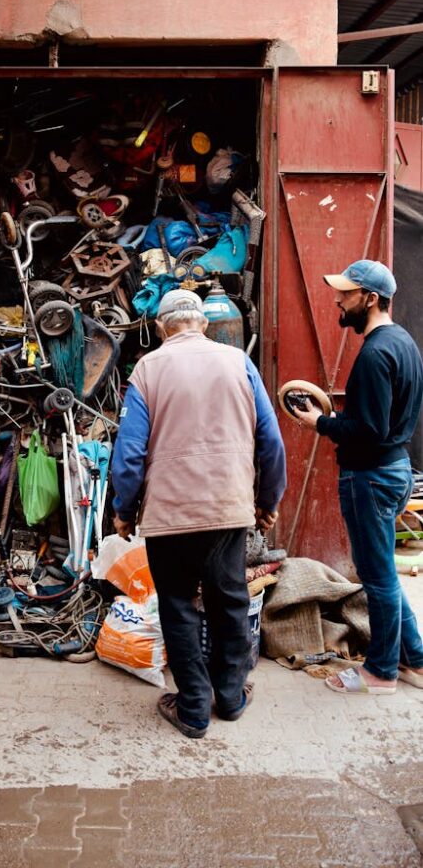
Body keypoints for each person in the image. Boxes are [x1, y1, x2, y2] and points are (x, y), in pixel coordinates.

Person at [111, 288, 286, 738]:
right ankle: (229, 698)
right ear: (203, 324)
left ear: (160, 328)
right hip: (228, 509)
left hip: (170, 516)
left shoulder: (147, 368)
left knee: (177, 606)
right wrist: (267, 501)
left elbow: (128, 454)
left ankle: (192, 710)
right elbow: (271, 442)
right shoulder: (238, 362)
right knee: (230, 603)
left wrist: (123, 510)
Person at [294, 259, 423, 695]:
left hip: (371, 475)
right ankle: (416, 660)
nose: (337, 299)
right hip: (394, 468)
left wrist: (321, 423)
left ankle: (381, 671)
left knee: (378, 578)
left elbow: (369, 430)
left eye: (346, 293)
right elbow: (382, 422)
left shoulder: (374, 353)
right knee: (385, 572)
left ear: (370, 298)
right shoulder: (403, 342)